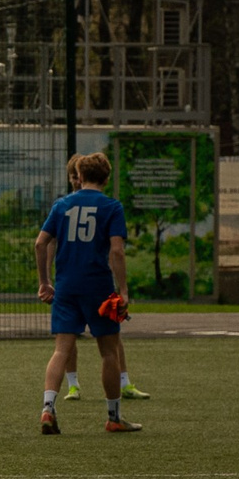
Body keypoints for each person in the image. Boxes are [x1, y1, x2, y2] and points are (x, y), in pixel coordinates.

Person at [36, 151, 139, 433]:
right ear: (106, 178)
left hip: (66, 286)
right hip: (98, 287)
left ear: (79, 177)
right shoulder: (111, 207)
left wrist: (44, 281)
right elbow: (116, 250)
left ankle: (48, 408)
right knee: (108, 352)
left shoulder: (61, 205)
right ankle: (114, 417)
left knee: (61, 350)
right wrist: (124, 289)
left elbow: (40, 244)